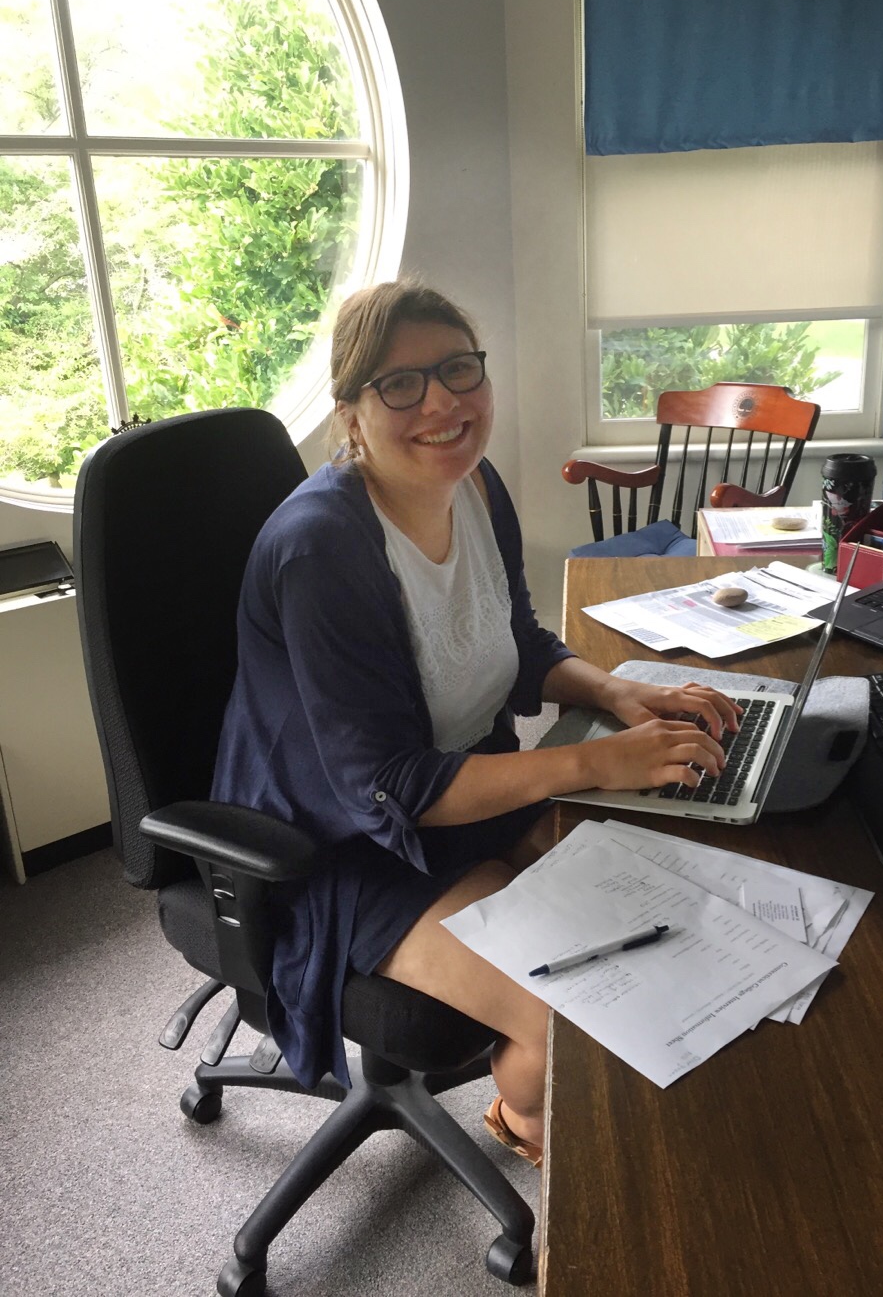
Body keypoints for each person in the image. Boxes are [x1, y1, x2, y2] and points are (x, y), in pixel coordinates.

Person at [211, 280, 741, 1167]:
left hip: (468, 788)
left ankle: (533, 1101)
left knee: (671, 901)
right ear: (351, 412)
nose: (443, 403)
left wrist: (614, 694)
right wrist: (593, 763)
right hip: (342, 845)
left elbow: (516, 637)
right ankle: (530, 1128)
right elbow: (393, 788)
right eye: (401, 385)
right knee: (579, 1017)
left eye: (459, 370)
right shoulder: (322, 548)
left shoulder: (474, 482)